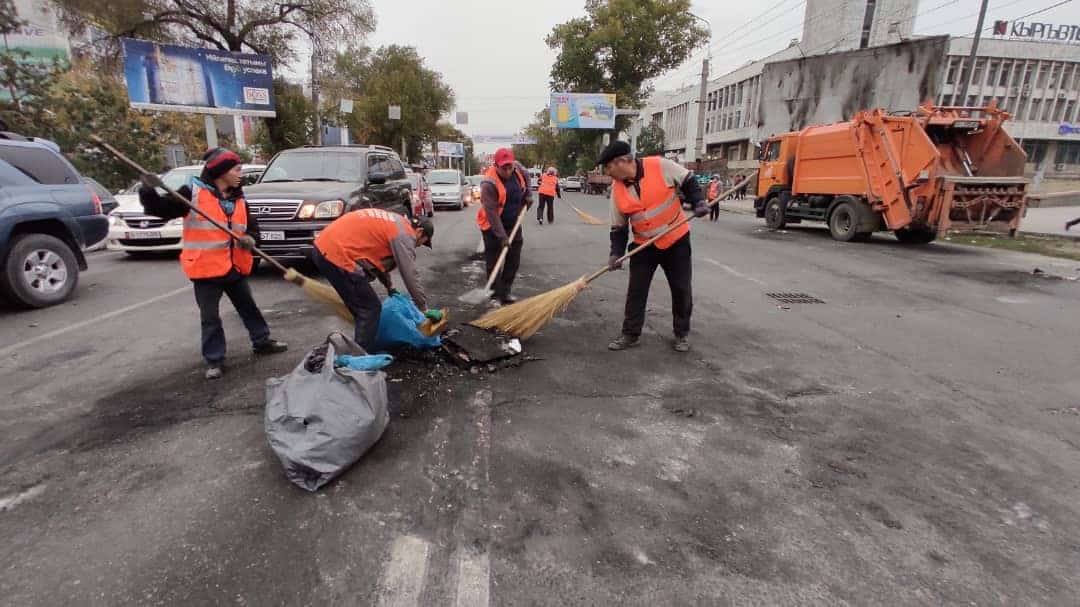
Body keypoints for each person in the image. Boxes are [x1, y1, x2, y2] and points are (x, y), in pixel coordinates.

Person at [139, 147, 287, 379]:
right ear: (221, 171)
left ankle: (262, 341)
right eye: (236, 169)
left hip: (234, 267)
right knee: (210, 317)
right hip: (206, 269)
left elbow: (252, 227)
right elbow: (159, 210)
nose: (240, 174)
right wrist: (148, 189)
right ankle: (215, 360)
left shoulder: (238, 198)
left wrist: (251, 239)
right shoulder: (191, 194)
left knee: (248, 308)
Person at [600, 140, 707, 353]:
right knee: (636, 291)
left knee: (681, 288)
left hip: (676, 239)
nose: (607, 172)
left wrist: (698, 202)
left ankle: (681, 334)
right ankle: (630, 334)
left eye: (608, 167)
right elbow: (618, 227)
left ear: (622, 161)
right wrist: (616, 254)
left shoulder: (659, 165)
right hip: (644, 245)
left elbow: (688, 180)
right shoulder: (617, 189)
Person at [311, 208, 434, 353]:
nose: (417, 246)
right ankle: (359, 358)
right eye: (420, 243)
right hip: (337, 255)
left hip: (325, 247)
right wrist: (424, 308)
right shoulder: (404, 235)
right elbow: (410, 273)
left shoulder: (396, 223)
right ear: (419, 232)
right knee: (369, 309)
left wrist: (389, 287)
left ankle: (360, 348)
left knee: (363, 308)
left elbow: (378, 262)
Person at [478, 148, 533, 306]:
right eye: (504, 168)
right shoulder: (489, 184)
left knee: (513, 259)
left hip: (513, 222)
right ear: (496, 166)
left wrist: (528, 194)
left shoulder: (518, 169)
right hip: (492, 226)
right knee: (494, 261)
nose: (508, 171)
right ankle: (495, 295)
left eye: (510, 167)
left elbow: (527, 178)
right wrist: (502, 236)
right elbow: (491, 213)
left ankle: (506, 291)